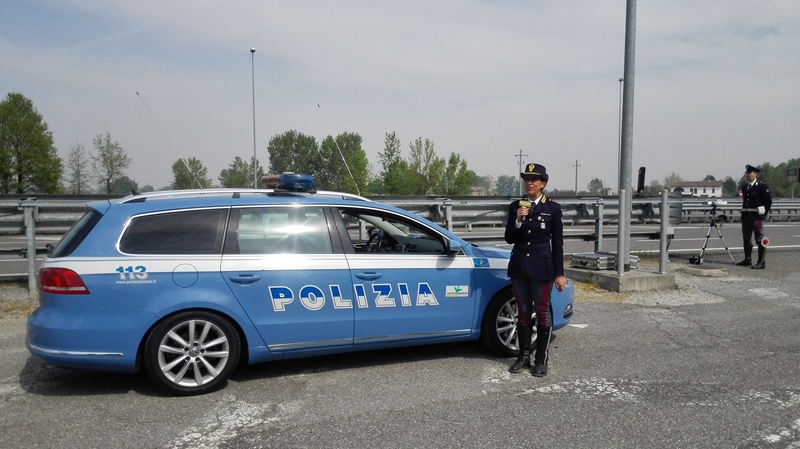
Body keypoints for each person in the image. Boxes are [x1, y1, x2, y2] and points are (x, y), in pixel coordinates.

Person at [504, 163, 567, 377]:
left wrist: (560, 274)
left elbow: (557, 244)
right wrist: (518, 220)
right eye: (526, 179)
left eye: (534, 179)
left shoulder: (553, 208)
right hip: (520, 266)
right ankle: (523, 357)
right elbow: (509, 238)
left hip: (542, 268)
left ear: (543, 183)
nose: (529, 183)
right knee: (522, 311)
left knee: (542, 313)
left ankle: (541, 358)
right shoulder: (516, 206)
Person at [737, 164, 772, 269]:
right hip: (746, 217)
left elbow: (768, 202)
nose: (747, 175)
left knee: (759, 239)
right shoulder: (744, 187)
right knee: (746, 239)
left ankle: (761, 261)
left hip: (757, 217)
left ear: (755, 174)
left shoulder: (762, 187)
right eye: (746, 173)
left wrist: (763, 214)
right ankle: (747, 259)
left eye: (749, 173)